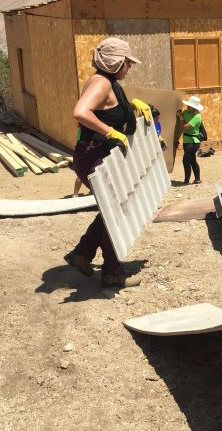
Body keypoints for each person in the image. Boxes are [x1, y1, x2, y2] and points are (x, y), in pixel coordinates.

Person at [63, 37, 152, 288]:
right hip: (94, 153)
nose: (130, 67)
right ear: (116, 63)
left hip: (93, 152)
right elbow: (81, 112)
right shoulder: (101, 83)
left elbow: (107, 109)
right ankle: (112, 272)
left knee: (111, 209)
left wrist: (131, 105)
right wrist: (109, 132)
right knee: (116, 211)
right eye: (127, 63)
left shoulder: (104, 81)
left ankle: (83, 253)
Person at [177, 95, 205, 184]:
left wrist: (181, 118)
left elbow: (184, 126)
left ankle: (186, 181)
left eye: (189, 106)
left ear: (194, 107)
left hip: (193, 142)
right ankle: (197, 179)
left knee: (186, 161)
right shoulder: (186, 112)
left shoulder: (197, 116)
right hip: (186, 141)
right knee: (192, 160)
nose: (187, 107)